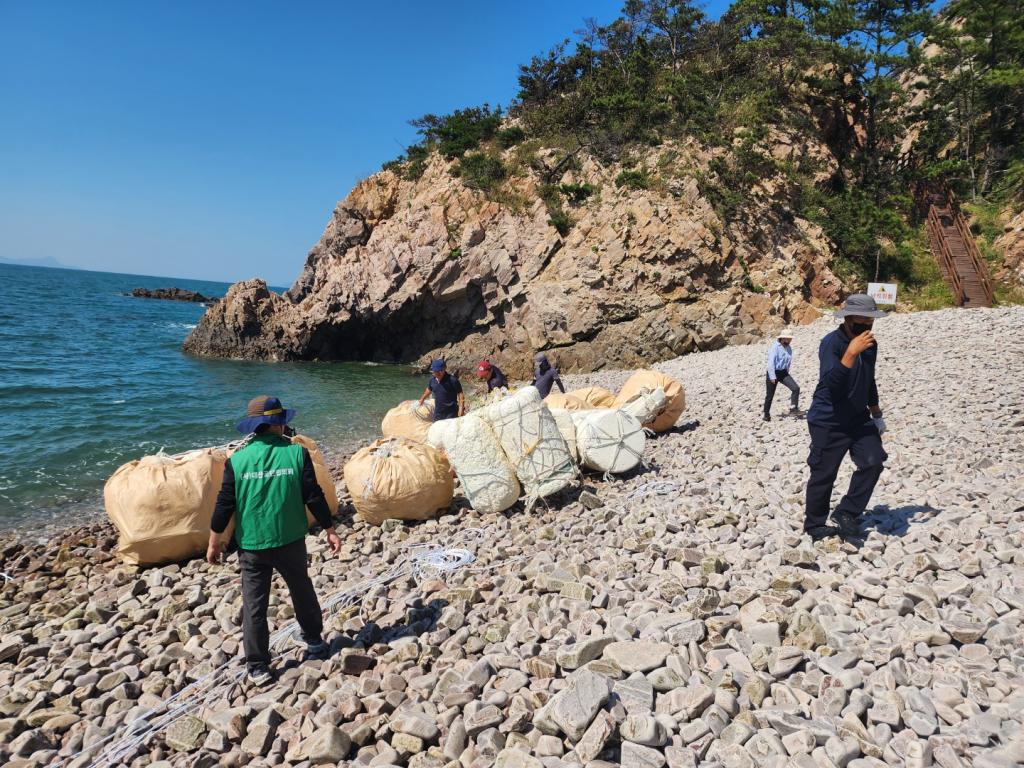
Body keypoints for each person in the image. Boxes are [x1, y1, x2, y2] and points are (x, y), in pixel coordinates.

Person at [207, 395, 343, 686]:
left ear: (255, 426)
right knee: (301, 589)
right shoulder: (296, 454)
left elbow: (224, 503)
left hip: (252, 546)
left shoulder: (237, 460)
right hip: (290, 539)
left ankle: (257, 666)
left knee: (254, 606)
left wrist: (214, 541)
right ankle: (315, 641)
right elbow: (313, 494)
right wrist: (329, 529)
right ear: (278, 423)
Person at [804, 294, 889, 542]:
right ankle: (815, 524)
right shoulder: (832, 343)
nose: (867, 325)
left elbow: (869, 379)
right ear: (849, 319)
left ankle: (846, 512)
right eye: (862, 320)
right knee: (823, 473)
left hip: (858, 418)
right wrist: (851, 353)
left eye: (871, 320)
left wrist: (876, 413)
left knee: (874, 461)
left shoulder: (870, 344)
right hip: (828, 419)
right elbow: (830, 382)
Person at [764, 329, 801, 421]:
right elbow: (770, 363)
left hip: (783, 373)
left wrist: (787, 371)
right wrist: (772, 376)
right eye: (788, 338)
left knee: (796, 388)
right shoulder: (775, 347)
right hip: (773, 372)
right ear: (783, 338)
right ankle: (766, 414)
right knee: (770, 395)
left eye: (790, 338)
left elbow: (788, 361)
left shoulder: (789, 348)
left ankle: (793, 409)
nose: (790, 340)